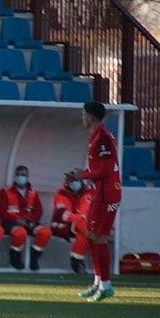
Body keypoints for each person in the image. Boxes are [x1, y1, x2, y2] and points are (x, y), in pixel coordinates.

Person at [78, 101, 122, 302]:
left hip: (106, 194)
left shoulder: (102, 138)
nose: (82, 117)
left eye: (83, 114)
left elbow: (105, 170)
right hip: (99, 193)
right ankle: (98, 281)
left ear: (92, 117)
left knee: (99, 238)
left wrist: (83, 175)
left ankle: (106, 286)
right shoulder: (96, 137)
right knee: (90, 235)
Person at [0, 165, 52, 271]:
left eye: (23, 175)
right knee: (20, 233)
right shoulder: (5, 191)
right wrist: (17, 220)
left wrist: (32, 221)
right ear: (14, 176)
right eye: (18, 175)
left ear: (27, 176)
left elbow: (38, 210)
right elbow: (2, 212)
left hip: (28, 222)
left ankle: (34, 258)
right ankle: (15, 258)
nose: (20, 177)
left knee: (45, 232)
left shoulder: (32, 192)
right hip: (10, 222)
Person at [51, 167, 94, 275]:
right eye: (71, 180)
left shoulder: (88, 192)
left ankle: (77, 261)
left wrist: (81, 218)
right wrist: (80, 218)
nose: (73, 183)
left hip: (80, 226)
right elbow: (63, 214)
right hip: (63, 225)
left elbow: (87, 210)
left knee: (83, 230)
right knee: (84, 227)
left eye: (75, 180)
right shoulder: (61, 194)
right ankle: (77, 261)